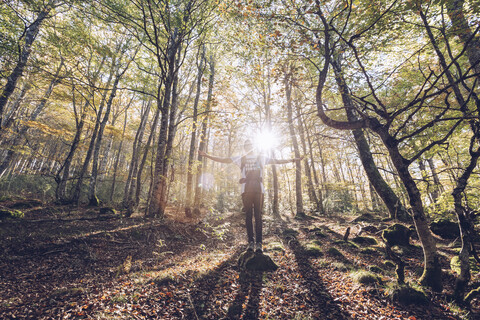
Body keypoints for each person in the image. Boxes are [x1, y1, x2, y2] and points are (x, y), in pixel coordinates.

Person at [199, 139, 302, 253]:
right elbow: (224, 160)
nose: (248, 147)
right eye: (246, 146)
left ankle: (259, 243)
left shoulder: (261, 157)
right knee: (248, 216)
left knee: (258, 216)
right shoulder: (241, 158)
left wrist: (293, 159)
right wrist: (207, 155)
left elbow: (277, 161)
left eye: (250, 145)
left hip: (259, 190)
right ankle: (251, 243)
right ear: (245, 147)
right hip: (246, 190)